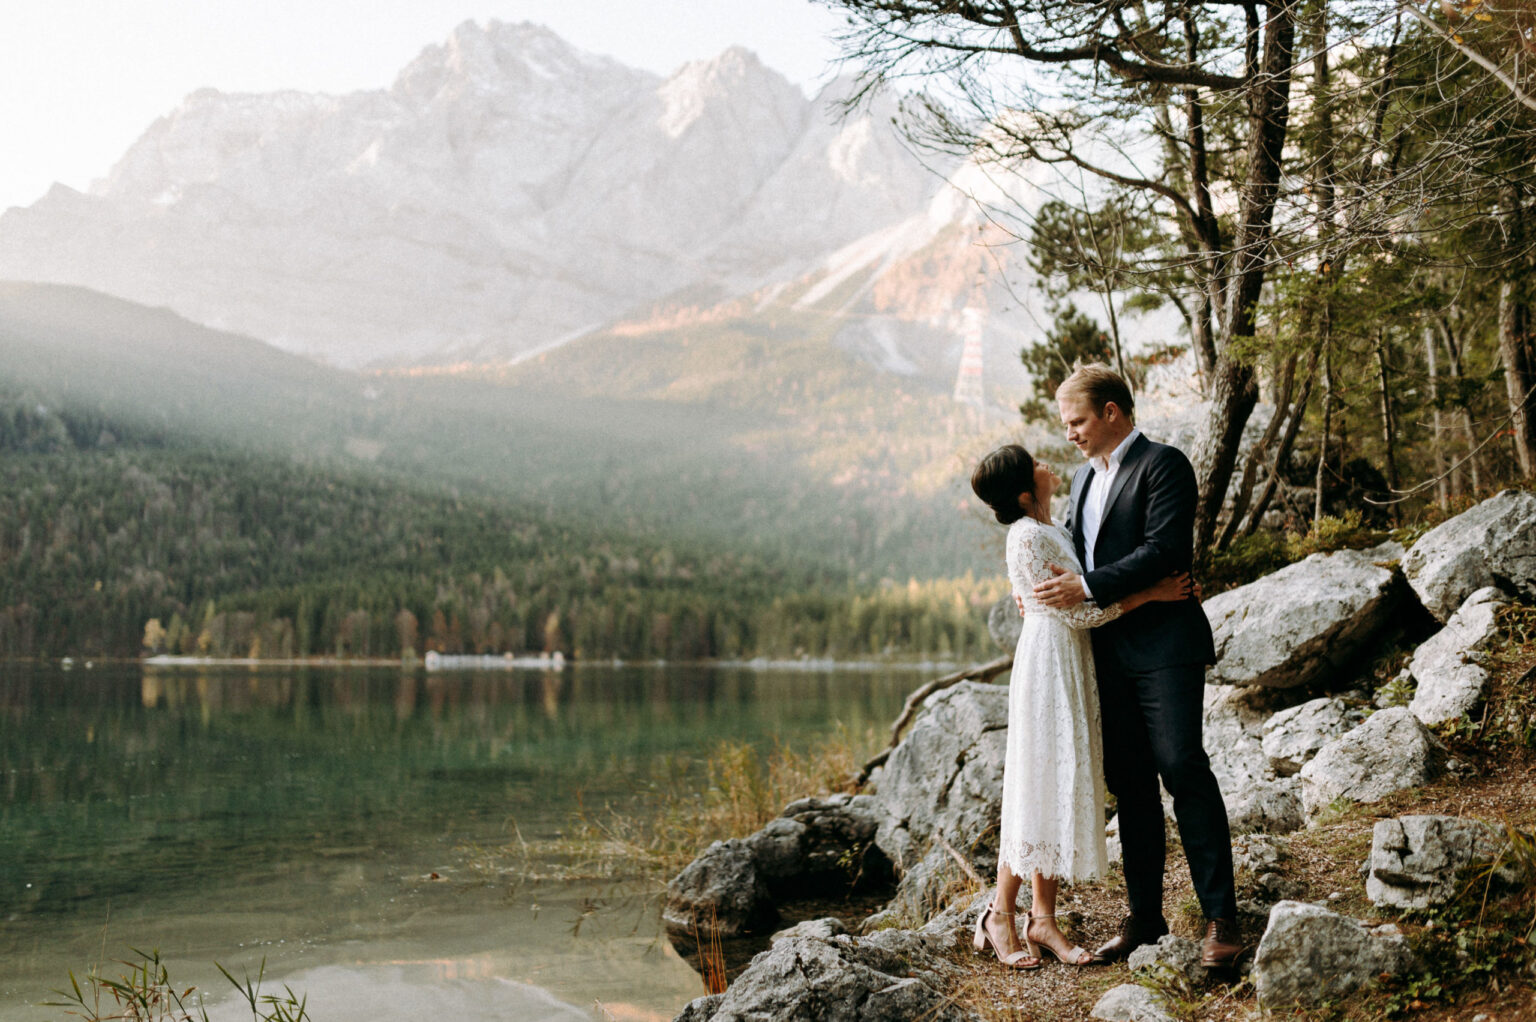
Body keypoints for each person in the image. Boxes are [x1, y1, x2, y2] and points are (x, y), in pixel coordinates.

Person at [1032, 362, 1239, 969]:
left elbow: (1164, 550)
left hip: (1166, 647)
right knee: (1133, 790)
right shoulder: (1081, 479)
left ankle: (1221, 918)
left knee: (1182, 767)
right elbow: (1071, 550)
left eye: (1077, 421)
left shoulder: (1164, 464)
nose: (1070, 432)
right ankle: (1145, 919)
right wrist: (1037, 583)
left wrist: (1088, 587)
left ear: (1112, 413)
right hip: (1106, 654)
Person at [968, 443, 1195, 970]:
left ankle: (1042, 919)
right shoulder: (1026, 535)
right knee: (1036, 782)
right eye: (1036, 466)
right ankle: (999, 913)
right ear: (1026, 491)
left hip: (1071, 663)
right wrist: (1151, 594)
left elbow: (1064, 590)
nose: (1049, 465)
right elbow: (1077, 615)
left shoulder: (1053, 527)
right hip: (1050, 663)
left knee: (1055, 783)